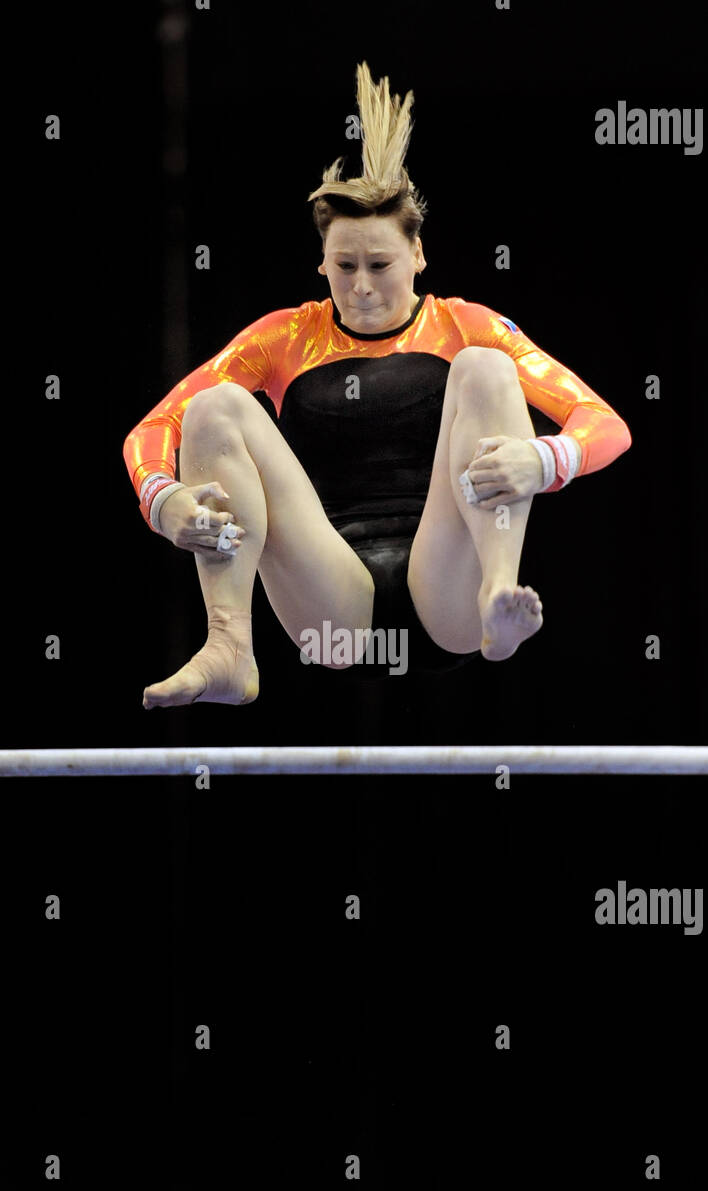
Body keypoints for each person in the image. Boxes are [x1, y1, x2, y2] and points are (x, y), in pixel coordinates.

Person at [124, 60, 631, 708]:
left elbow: (606, 423)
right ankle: (228, 642)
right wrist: (164, 502)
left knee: (485, 367)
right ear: (322, 263)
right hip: (332, 608)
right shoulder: (283, 338)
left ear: (418, 255)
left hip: (447, 592)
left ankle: (498, 595)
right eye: (345, 265)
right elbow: (152, 429)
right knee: (213, 407)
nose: (362, 285)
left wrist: (544, 457)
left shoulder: (462, 324)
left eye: (380, 264)